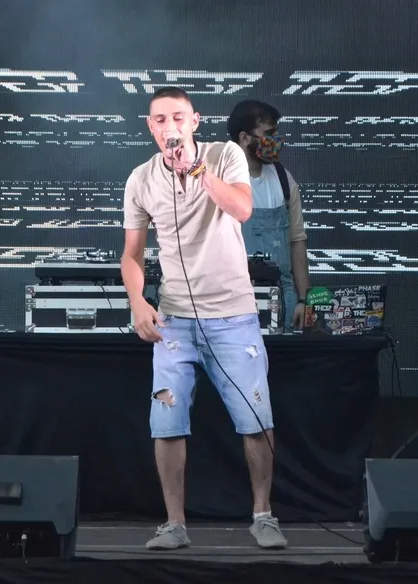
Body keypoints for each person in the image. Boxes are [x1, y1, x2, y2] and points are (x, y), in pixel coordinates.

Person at [120, 87, 287, 551]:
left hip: (233, 315)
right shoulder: (141, 179)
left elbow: (242, 208)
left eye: (178, 117)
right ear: (150, 126)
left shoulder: (225, 155)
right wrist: (137, 301)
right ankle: (174, 524)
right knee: (167, 421)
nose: (169, 127)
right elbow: (132, 254)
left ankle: (263, 515)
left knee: (255, 418)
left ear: (194, 122)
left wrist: (196, 171)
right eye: (160, 120)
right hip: (175, 319)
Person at [227, 100, 308, 331]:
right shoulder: (220, 181)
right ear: (244, 138)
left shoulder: (283, 179)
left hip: (284, 299)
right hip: (233, 303)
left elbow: (297, 242)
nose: (276, 141)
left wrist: (304, 300)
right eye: (269, 134)